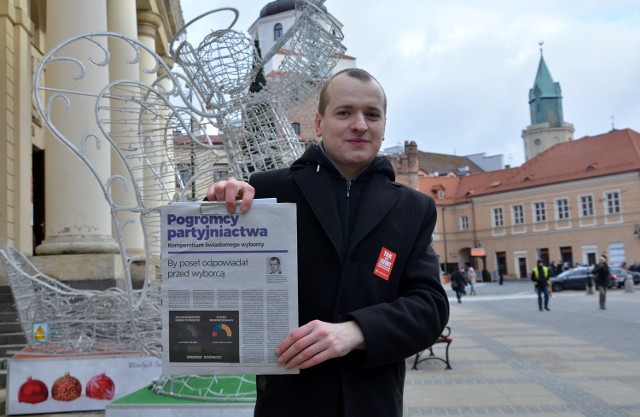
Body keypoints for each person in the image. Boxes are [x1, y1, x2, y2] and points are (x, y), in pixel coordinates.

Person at [206, 68, 450, 417]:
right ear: (319, 124)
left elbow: (430, 307)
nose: (360, 124)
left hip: (373, 403)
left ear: (383, 125)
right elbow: (223, 278)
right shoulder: (270, 192)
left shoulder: (412, 207)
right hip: (289, 403)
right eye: (345, 112)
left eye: (372, 114)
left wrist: (355, 331)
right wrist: (218, 206)